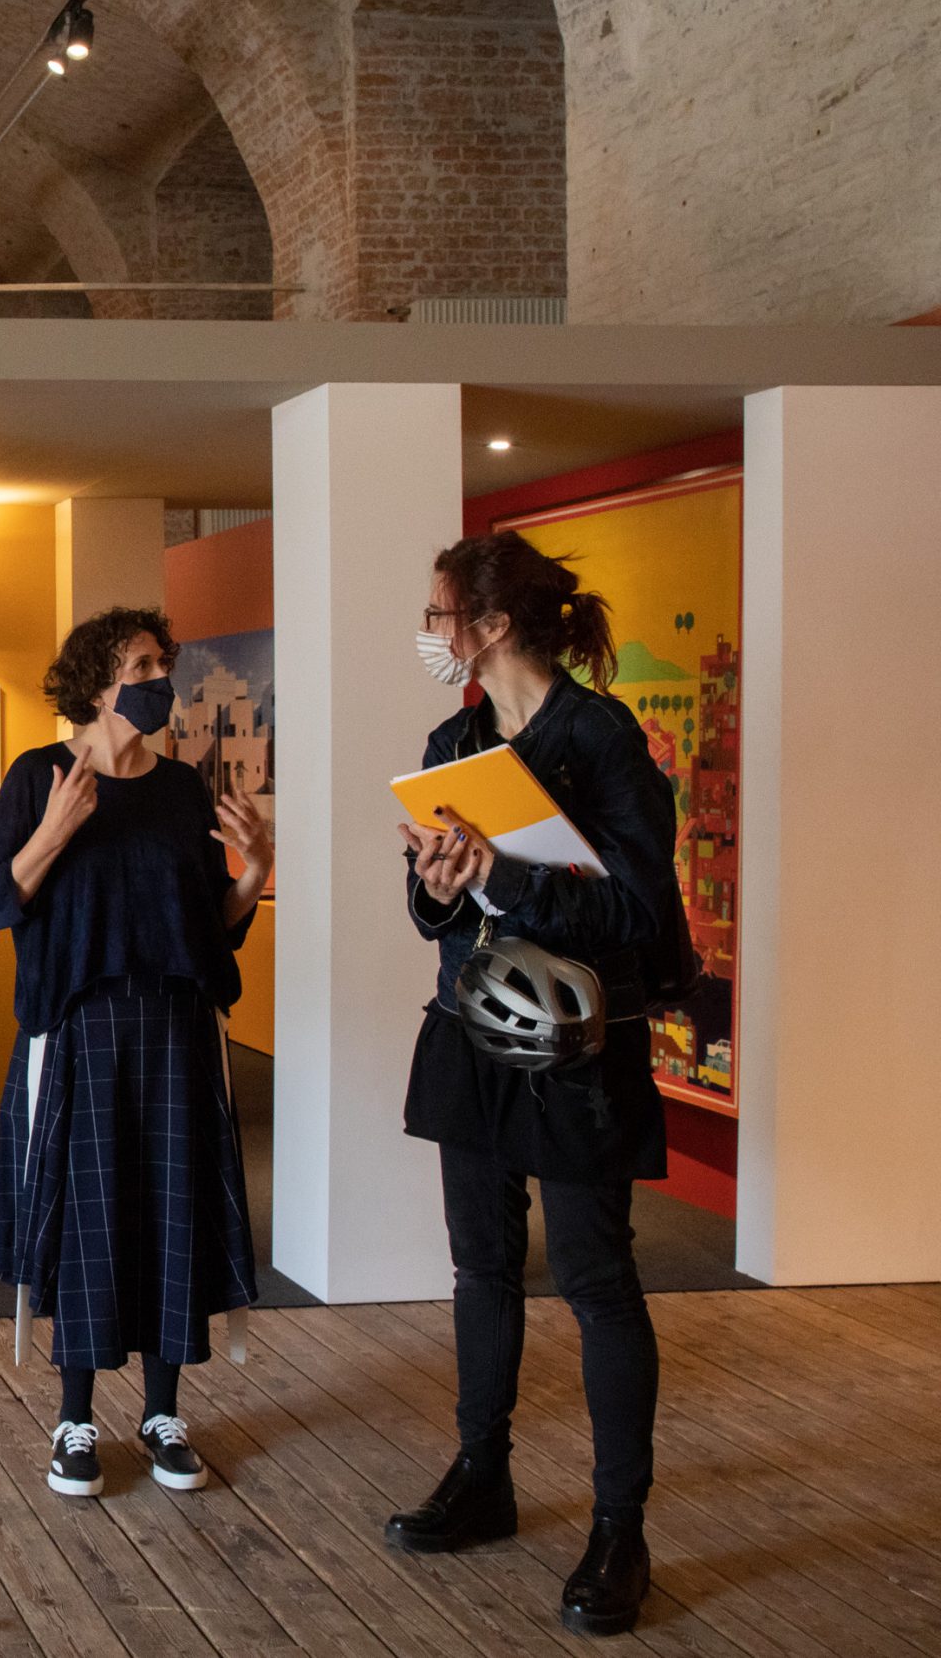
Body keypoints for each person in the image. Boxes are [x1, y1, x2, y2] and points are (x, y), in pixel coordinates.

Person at [387, 532, 696, 1638]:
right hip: (471, 1029)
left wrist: (508, 876)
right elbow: (430, 910)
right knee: (481, 1265)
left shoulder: (600, 738)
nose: (428, 632)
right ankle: (484, 1474)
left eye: (437, 612)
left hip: (574, 1046)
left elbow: (638, 914)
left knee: (594, 1274)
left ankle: (621, 1529)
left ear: (491, 624)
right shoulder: (453, 738)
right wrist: (437, 881)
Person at [0, 606, 272, 1499]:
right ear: (97, 682)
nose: (159, 679)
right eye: (142, 663)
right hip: (82, 1032)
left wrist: (254, 870)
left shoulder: (183, 791)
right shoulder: (40, 778)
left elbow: (210, 926)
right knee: (89, 1221)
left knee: (171, 1212)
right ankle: (74, 1418)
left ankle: (163, 1411)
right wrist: (55, 830)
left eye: (163, 662)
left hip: (178, 1028)